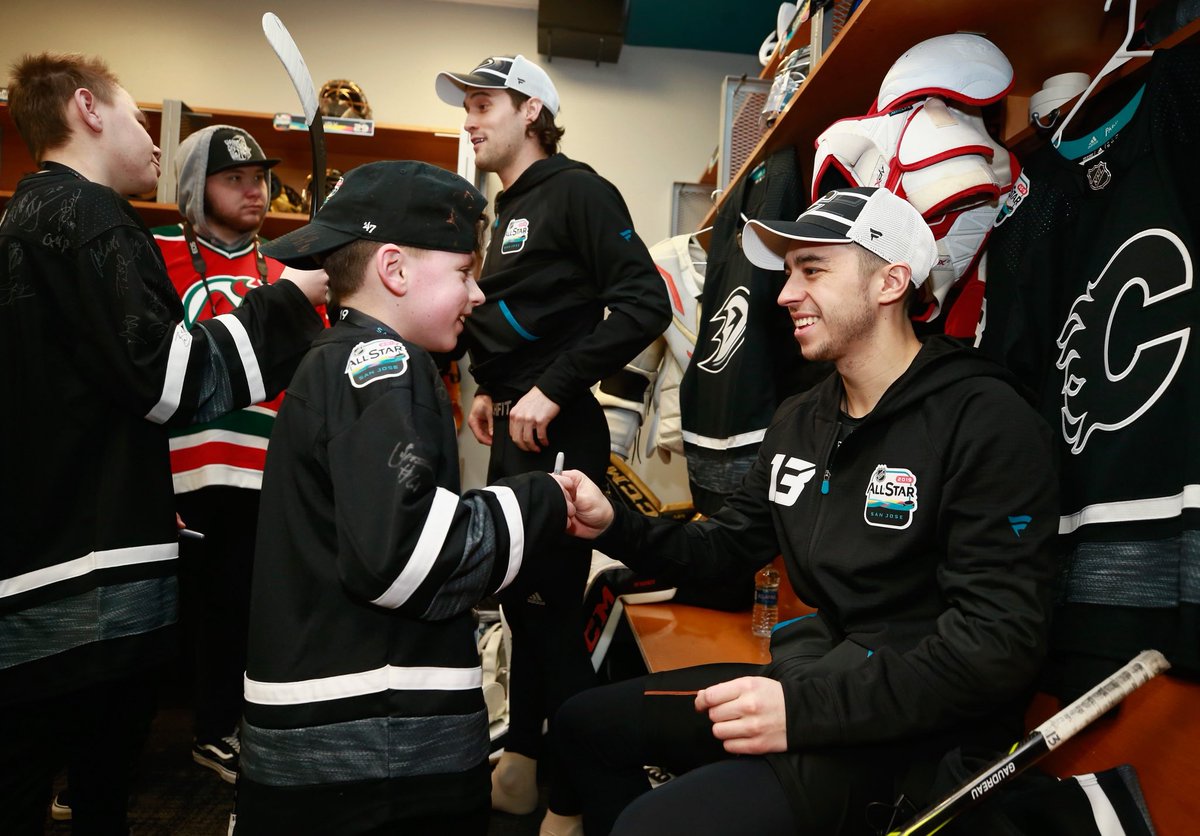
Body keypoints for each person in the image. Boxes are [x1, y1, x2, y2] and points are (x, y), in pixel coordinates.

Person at [548, 187, 1061, 835]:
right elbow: (725, 549)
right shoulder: (802, 419)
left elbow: (995, 648)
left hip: (919, 734)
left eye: (812, 270)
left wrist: (804, 711)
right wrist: (613, 525)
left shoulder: (985, 419)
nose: (786, 293)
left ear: (890, 282)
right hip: (821, 678)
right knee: (582, 726)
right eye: (789, 272)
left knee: (651, 826)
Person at [0, 52, 327, 835]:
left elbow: (96, 395)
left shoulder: (21, 220)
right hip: (89, 579)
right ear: (87, 109)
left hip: (42, 555)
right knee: (101, 784)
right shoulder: (94, 216)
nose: (154, 142)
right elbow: (170, 382)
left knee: (27, 775)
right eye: (139, 118)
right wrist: (287, 303)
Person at [234, 160, 575, 835]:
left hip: (333, 741)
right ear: (394, 269)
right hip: (375, 751)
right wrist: (541, 500)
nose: (477, 294)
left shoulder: (336, 357)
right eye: (464, 272)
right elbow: (404, 557)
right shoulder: (387, 367)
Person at [434, 54, 671, 816]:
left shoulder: (578, 191)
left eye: (484, 105)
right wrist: (492, 386)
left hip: (561, 426)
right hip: (519, 423)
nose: (469, 121)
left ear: (531, 110)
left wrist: (549, 389)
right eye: (466, 107)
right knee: (521, 607)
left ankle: (581, 802)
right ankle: (524, 764)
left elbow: (645, 303)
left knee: (550, 616)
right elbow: (532, 313)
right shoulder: (505, 205)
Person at [150, 124, 298, 783]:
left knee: (237, 612)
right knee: (149, 622)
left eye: (258, 178)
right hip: (174, 473)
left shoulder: (289, 271)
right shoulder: (155, 253)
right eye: (233, 178)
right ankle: (105, 761)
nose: (254, 190)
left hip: (260, 476)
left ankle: (215, 731)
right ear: (193, 188)